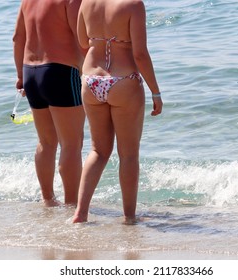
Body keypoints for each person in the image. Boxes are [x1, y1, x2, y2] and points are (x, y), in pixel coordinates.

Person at [72, 0, 163, 224]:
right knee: (128, 155)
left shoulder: (86, 3)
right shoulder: (133, 4)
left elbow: (83, 42)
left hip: (91, 80)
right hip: (123, 80)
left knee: (98, 151)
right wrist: (155, 91)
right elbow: (140, 54)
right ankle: (129, 217)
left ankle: (80, 214)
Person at [12, 0, 85, 207]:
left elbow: (18, 37)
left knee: (46, 141)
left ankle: (48, 200)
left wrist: (20, 75)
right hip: (61, 71)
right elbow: (81, 39)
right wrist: (87, 70)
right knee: (72, 143)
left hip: (30, 72)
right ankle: (72, 205)